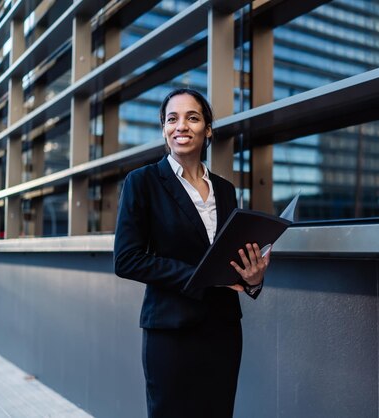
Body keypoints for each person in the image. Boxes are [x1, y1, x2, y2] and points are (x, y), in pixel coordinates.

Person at [113, 88, 268, 418]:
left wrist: (252, 280)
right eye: (172, 119)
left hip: (223, 330)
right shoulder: (141, 182)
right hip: (171, 332)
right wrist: (201, 277)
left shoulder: (225, 189)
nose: (181, 125)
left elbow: (230, 257)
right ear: (164, 129)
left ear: (208, 129)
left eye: (192, 117)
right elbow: (126, 259)